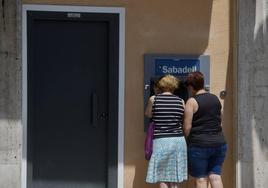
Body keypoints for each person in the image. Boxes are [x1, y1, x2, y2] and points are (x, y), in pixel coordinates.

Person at [183, 71, 227, 188]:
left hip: (199, 144)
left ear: (191, 87)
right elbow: (220, 120)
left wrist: (188, 141)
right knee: (215, 176)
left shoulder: (191, 102)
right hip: (219, 143)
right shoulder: (215, 98)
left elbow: (187, 126)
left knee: (201, 179)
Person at [145, 75, 188, 188]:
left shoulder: (154, 99)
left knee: (163, 176)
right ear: (174, 86)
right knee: (175, 177)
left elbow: (148, 114)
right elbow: (184, 119)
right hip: (178, 141)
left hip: (161, 140)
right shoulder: (181, 101)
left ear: (161, 86)